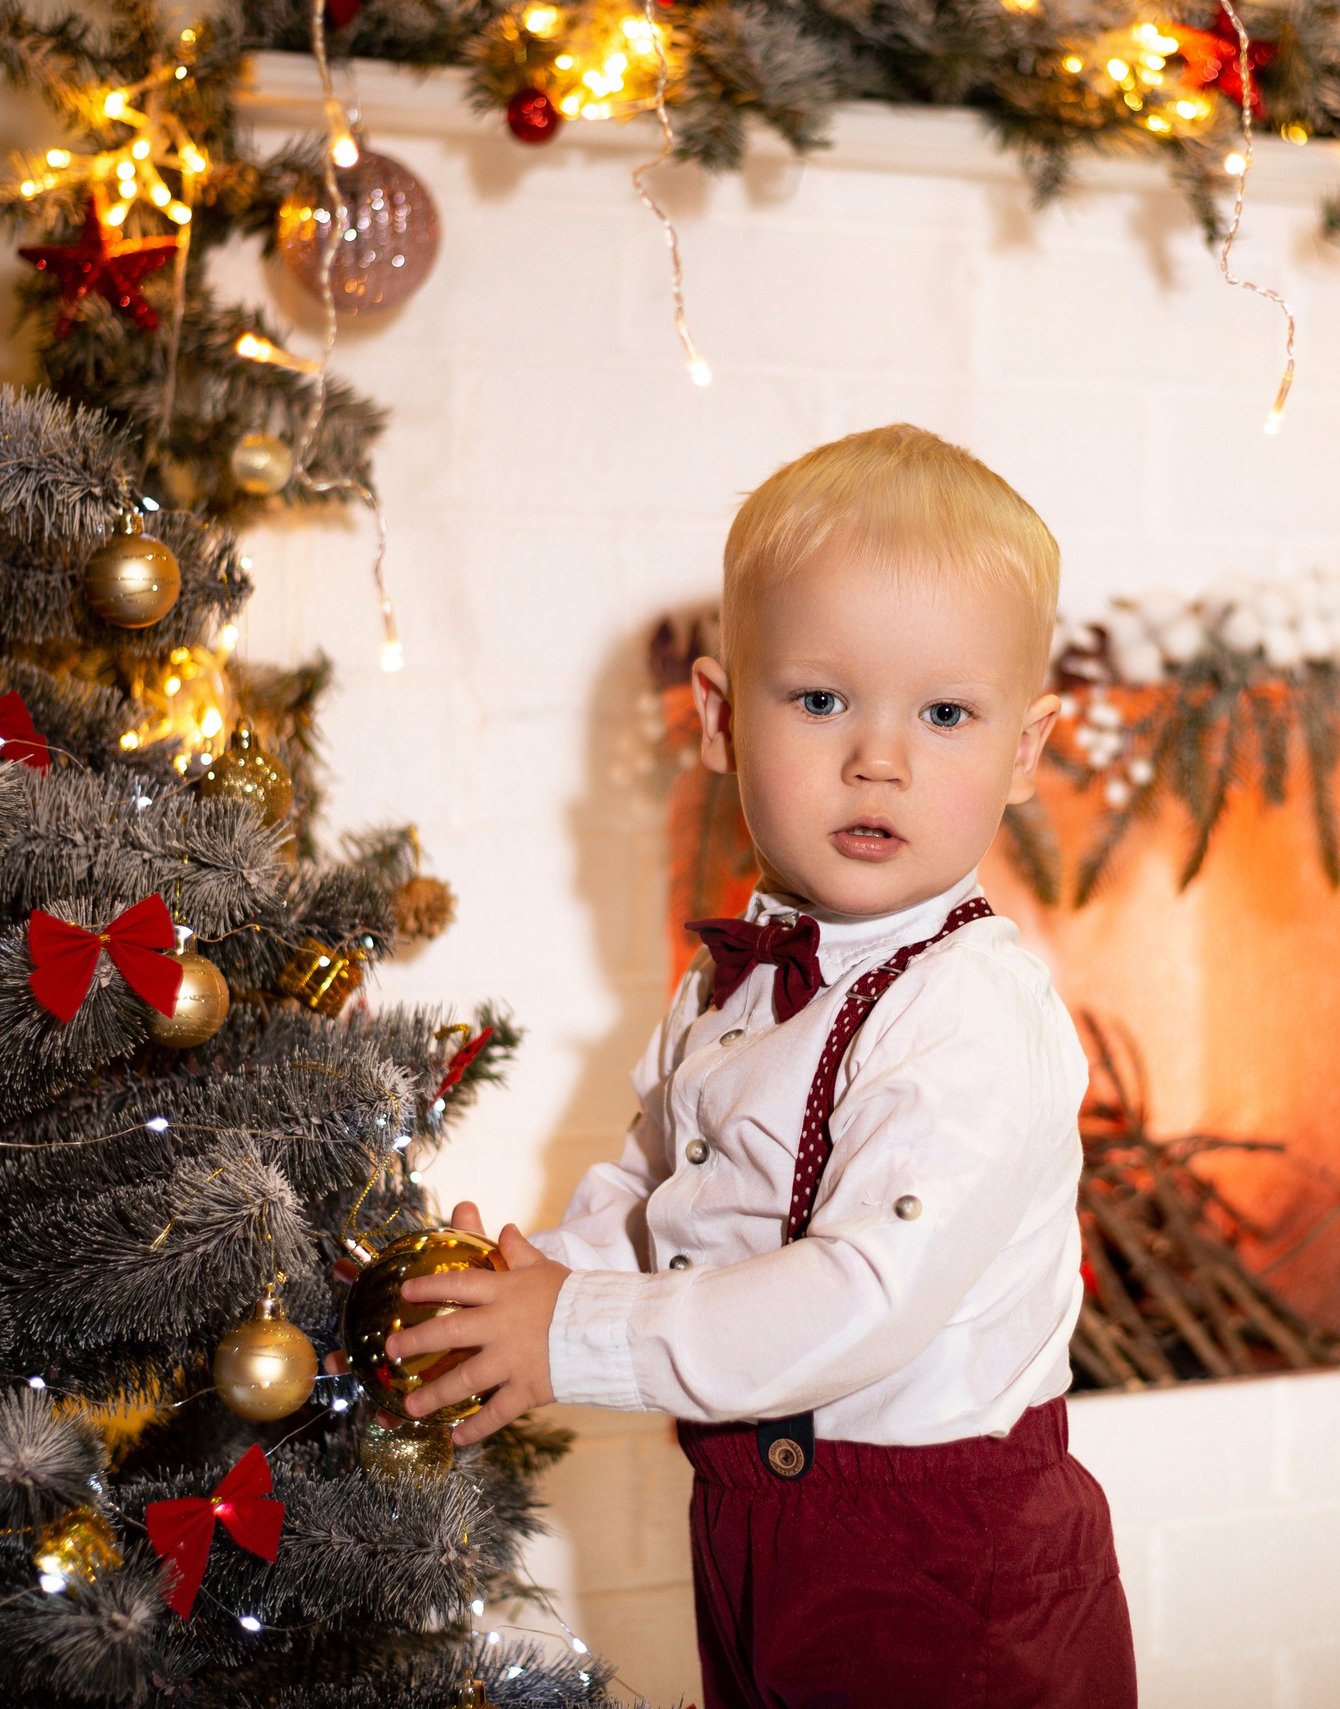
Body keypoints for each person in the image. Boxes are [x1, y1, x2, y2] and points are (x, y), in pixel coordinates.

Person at [375, 424, 1135, 1708]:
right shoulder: (737, 975)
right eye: (821, 700)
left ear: (1026, 749)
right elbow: (660, 1195)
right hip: (755, 1528)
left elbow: (864, 1295)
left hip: (946, 1569)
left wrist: (572, 1335)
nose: (879, 757)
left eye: (945, 712)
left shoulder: (969, 1009)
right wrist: (523, 1285)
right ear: (722, 718)